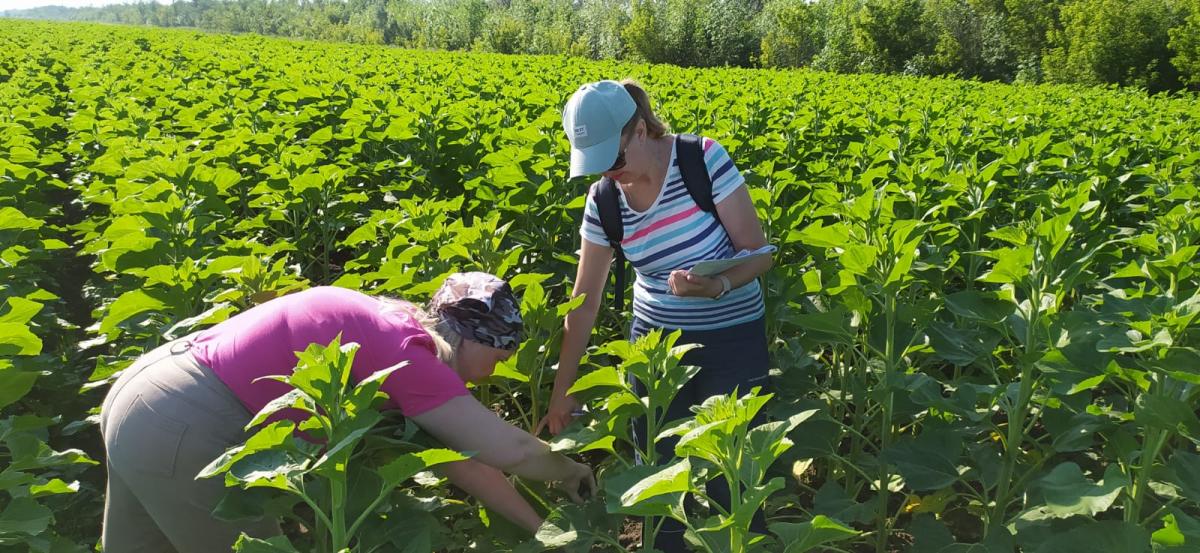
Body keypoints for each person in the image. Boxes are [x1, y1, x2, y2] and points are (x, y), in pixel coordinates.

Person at [99, 272, 594, 553]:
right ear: (474, 336)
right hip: (189, 422)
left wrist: (545, 532)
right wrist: (570, 470)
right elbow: (510, 448)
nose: (494, 372)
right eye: (500, 355)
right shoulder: (413, 356)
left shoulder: (388, 325)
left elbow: (463, 461)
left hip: (145, 394)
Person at [537, 79, 774, 551]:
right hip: (656, 350)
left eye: (616, 160)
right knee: (659, 477)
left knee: (739, 473)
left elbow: (759, 253)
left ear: (641, 130)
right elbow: (584, 303)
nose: (610, 174)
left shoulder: (701, 160)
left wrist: (719, 284)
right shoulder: (604, 201)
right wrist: (562, 392)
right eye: (598, 167)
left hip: (733, 339)